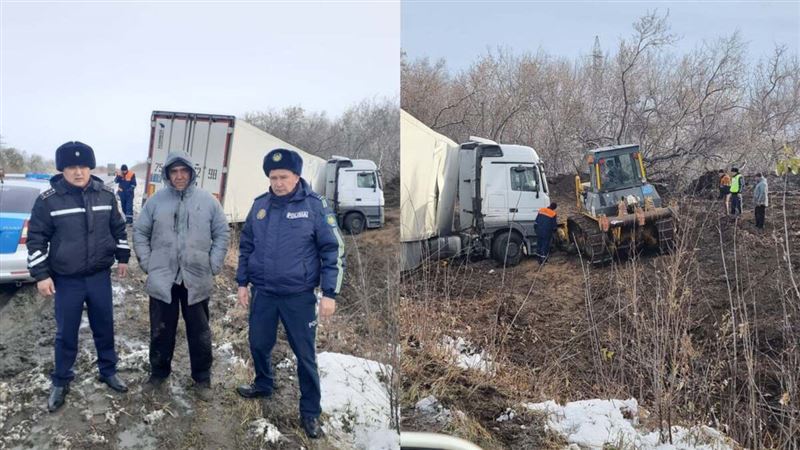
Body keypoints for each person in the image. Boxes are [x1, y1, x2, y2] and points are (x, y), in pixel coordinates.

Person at [235, 148, 345, 439]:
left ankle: (310, 412)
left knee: (305, 356)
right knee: (258, 344)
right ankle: (263, 384)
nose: (278, 182)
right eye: (273, 177)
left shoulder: (315, 206)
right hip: (264, 293)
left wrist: (330, 293)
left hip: (299, 296)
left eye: (284, 176)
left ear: (297, 176)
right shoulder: (260, 207)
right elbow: (246, 246)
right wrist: (242, 283)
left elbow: (333, 250)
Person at [26, 141, 130, 412]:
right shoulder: (48, 200)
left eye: (83, 166)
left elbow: (118, 228)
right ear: (62, 170)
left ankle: (108, 371)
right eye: (71, 167)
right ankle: (61, 380)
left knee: (104, 326)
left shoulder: (106, 195)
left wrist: (123, 258)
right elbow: (36, 240)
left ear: (90, 167)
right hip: (66, 280)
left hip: (98, 277)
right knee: (66, 333)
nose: (78, 172)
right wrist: (41, 275)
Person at [132, 151, 229, 400]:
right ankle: (159, 373)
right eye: (173, 172)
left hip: (196, 277)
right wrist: (147, 262)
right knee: (161, 329)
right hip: (163, 278)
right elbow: (140, 233)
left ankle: (202, 378)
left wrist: (213, 264)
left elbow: (221, 233)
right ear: (167, 174)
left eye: (183, 171)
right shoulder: (155, 201)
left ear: (191, 172)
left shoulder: (208, 201)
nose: (179, 176)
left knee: (199, 331)